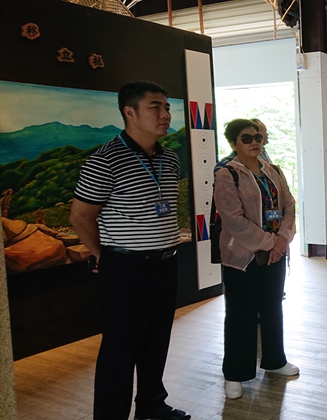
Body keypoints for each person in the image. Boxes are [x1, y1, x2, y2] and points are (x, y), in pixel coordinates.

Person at [70, 81, 190, 420]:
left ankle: (151, 405)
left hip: (166, 264)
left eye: (167, 107)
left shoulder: (170, 158)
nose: (165, 114)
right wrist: (104, 255)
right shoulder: (105, 160)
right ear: (130, 112)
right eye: (155, 107)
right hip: (125, 268)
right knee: (120, 349)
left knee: (157, 341)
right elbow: (80, 217)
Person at [213, 119, 297, 399]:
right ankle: (235, 374)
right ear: (233, 143)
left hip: (275, 254)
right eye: (246, 138)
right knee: (241, 314)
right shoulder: (227, 173)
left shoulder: (273, 171)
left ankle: (275, 361)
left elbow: (288, 206)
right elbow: (233, 220)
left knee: (272, 308)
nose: (254, 142)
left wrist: (282, 241)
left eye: (258, 137)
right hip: (243, 258)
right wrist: (272, 243)